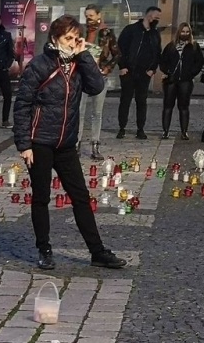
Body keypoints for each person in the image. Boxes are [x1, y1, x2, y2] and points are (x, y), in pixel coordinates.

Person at [13, 15, 129, 273]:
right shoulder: (40, 65)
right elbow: (22, 105)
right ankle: (44, 250)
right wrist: (24, 144)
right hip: (40, 142)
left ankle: (97, 252)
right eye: (67, 38)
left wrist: (84, 55)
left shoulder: (78, 64)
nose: (72, 42)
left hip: (66, 143)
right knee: (41, 197)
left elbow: (96, 86)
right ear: (55, 39)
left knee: (81, 197)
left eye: (76, 38)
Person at [116, 6, 162, 138]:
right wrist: (122, 66)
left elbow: (157, 53)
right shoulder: (131, 30)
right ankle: (122, 128)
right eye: (156, 17)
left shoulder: (154, 34)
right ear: (149, 16)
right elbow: (120, 49)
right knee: (125, 100)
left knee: (141, 101)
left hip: (144, 73)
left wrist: (152, 69)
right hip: (128, 71)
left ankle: (140, 129)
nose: (157, 20)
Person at [78, 5, 115, 158]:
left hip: (100, 76)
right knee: (79, 111)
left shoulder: (107, 33)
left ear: (99, 15)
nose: (89, 18)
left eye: (91, 15)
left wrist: (107, 68)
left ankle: (95, 145)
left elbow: (117, 54)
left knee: (97, 113)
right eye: (87, 16)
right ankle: (76, 144)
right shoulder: (81, 32)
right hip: (82, 76)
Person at [159, 22, 204, 140]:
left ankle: (184, 131)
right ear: (179, 32)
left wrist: (191, 73)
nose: (185, 34)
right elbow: (163, 61)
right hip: (171, 80)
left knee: (184, 107)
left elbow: (199, 62)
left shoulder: (194, 46)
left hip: (186, 81)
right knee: (168, 106)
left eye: (187, 32)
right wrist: (168, 71)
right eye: (183, 32)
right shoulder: (171, 46)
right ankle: (165, 131)